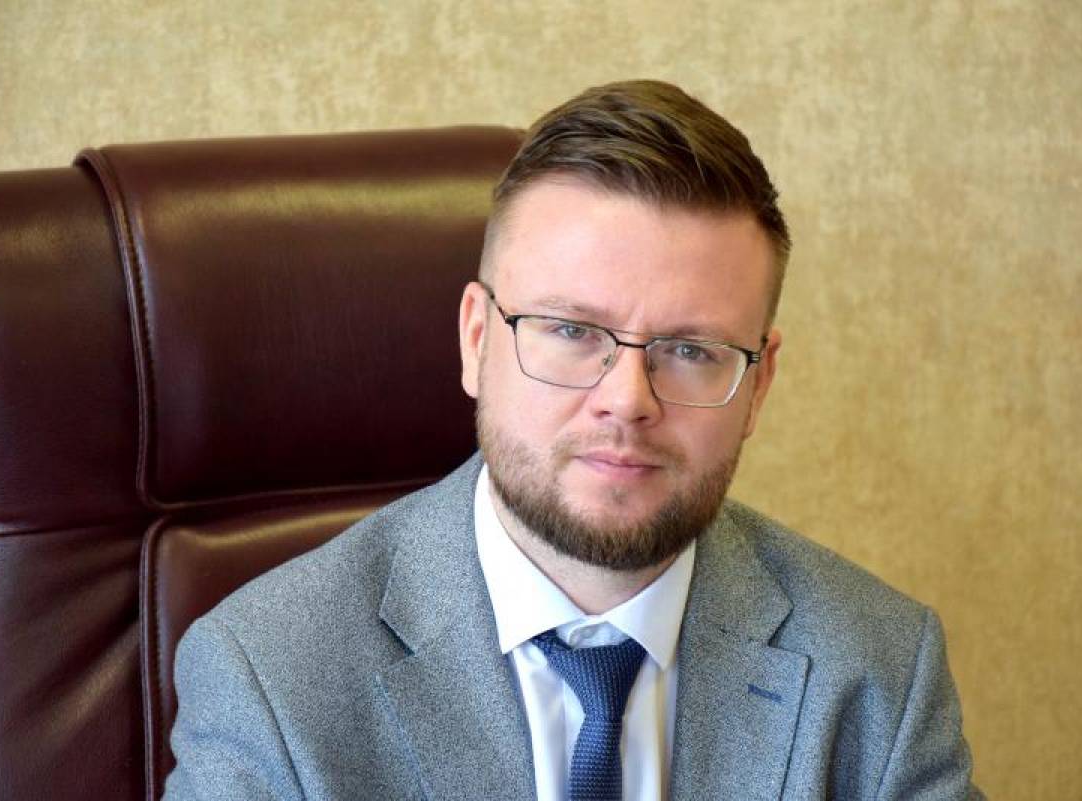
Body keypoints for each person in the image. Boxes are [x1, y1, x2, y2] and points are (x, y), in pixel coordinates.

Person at [163, 80, 982, 801]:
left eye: (690, 349)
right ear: (476, 338)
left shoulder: (879, 669)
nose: (627, 401)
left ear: (758, 383)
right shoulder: (271, 677)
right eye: (570, 330)